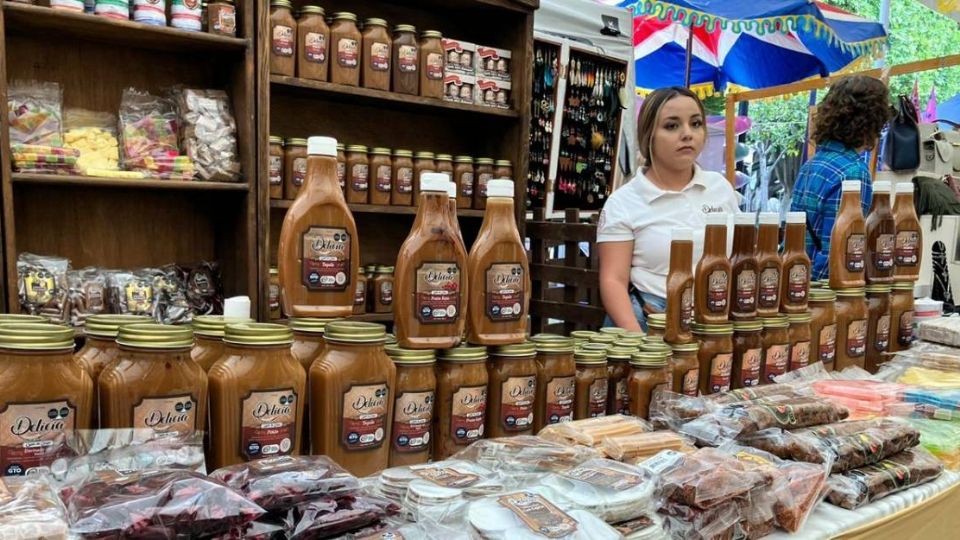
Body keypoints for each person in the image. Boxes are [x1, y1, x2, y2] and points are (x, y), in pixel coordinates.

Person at [597, 87, 740, 332]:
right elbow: (613, 280)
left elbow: (738, 255)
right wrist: (639, 343)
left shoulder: (720, 188)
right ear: (648, 135)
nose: (687, 134)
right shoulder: (625, 202)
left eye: (695, 123)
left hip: (715, 316)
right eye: (672, 126)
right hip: (649, 316)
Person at [790, 75, 893, 281]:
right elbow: (837, 252)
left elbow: (795, 239)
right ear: (872, 122)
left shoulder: (813, 164)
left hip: (793, 280)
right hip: (822, 293)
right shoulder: (854, 172)